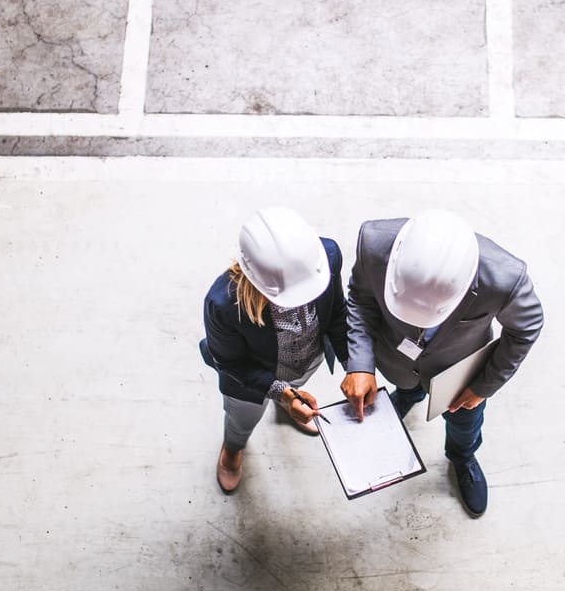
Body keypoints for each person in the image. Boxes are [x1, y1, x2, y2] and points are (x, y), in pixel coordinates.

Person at [340, 210, 543, 517]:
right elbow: (360, 298)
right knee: (405, 385)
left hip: (458, 375)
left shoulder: (505, 278)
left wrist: (482, 387)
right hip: (396, 358)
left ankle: (462, 457)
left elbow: (526, 327)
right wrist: (360, 364)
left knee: (465, 424)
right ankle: (408, 394)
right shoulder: (372, 244)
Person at [200, 207, 349, 494]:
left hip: (306, 359)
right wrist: (281, 391)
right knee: (241, 418)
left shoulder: (327, 256)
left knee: (298, 386)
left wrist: (353, 365)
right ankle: (233, 447)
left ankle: (289, 406)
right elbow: (232, 365)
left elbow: (336, 313)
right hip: (251, 381)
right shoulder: (222, 304)